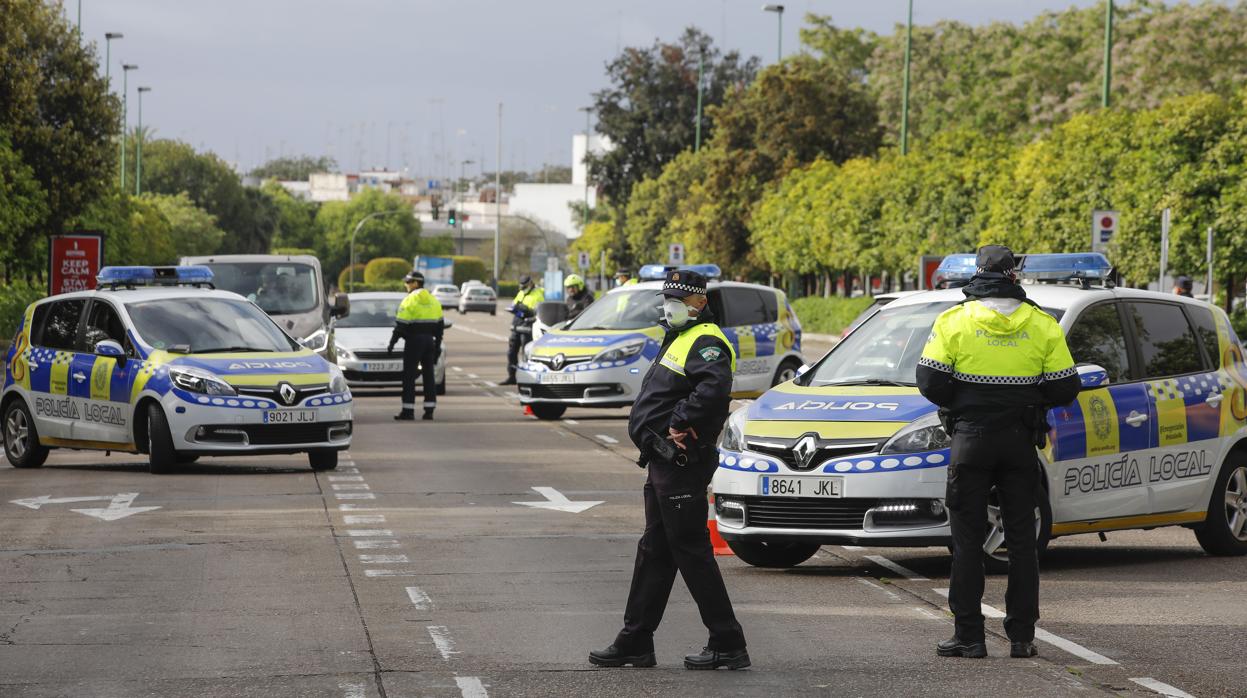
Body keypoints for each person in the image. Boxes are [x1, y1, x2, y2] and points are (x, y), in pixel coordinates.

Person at [916, 245, 1080, 660]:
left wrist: (966, 400)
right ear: (1014, 275)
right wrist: (1028, 400)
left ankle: (969, 636)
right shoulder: (1042, 324)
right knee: (1022, 541)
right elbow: (1065, 387)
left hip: (970, 440)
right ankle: (1022, 638)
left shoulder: (955, 320)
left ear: (978, 273)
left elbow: (930, 382)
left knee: (967, 540)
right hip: (1019, 443)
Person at [590, 268, 749, 671]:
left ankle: (727, 641)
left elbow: (713, 391)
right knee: (655, 553)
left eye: (680, 300)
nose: (671, 306)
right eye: (667, 299)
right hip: (662, 462)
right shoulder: (677, 338)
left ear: (700, 302)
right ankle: (635, 641)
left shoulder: (707, 340)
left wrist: (679, 421)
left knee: (692, 551)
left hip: (681, 463)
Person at [388, 271, 444, 421]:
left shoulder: (409, 300)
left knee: (409, 376)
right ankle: (429, 410)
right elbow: (440, 327)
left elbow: (401, 325)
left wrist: (392, 343)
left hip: (414, 341)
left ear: (415, 283)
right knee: (429, 376)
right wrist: (437, 347)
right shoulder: (434, 300)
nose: (405, 285)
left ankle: (408, 411)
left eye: (408, 282)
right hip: (429, 342)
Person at [500, 274, 544, 385]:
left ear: (530, 284)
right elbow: (514, 307)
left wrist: (527, 314)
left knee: (526, 354)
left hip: (527, 328)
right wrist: (518, 312)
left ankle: (527, 378)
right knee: (511, 353)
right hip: (516, 326)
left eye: (524, 286)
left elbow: (538, 312)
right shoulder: (521, 293)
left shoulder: (538, 294)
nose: (522, 289)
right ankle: (512, 377)